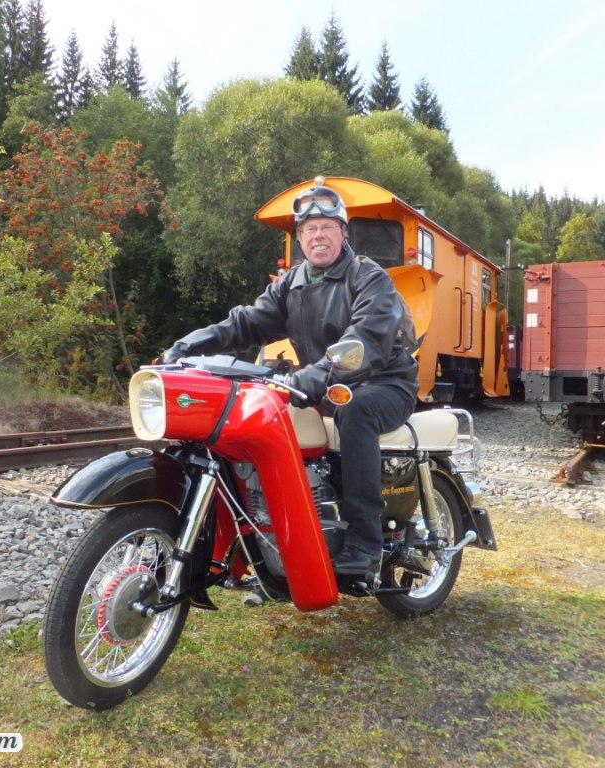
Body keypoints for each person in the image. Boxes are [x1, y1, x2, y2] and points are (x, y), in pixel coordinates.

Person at [161, 181, 418, 576]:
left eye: (327, 227)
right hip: (329, 385)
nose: (319, 235)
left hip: (384, 384)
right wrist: (190, 344)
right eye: (310, 229)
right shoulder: (292, 283)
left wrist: (312, 377)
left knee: (357, 412)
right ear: (300, 238)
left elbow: (365, 339)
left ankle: (365, 544)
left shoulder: (369, 278)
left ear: (343, 233)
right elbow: (247, 322)